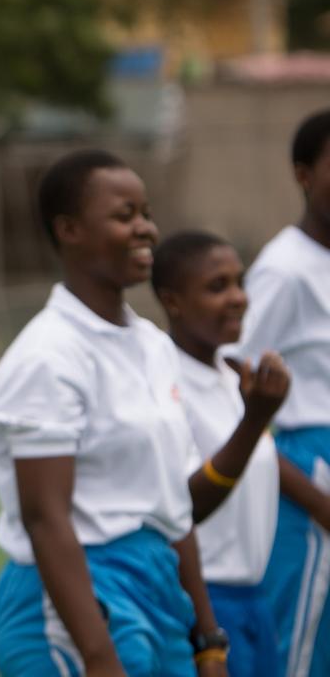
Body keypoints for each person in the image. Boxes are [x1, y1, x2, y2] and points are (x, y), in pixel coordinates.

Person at [0, 149, 284, 677]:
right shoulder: (48, 356)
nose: (145, 229)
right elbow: (47, 520)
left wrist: (207, 638)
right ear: (69, 229)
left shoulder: (153, 345)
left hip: (156, 586)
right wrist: (98, 657)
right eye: (125, 216)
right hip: (74, 604)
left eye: (146, 213)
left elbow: (172, 508)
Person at [152, 231, 316, 677]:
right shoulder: (164, 381)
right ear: (173, 301)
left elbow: (257, 461)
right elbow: (185, 506)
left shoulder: (230, 373)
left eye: (239, 283)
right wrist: (254, 419)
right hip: (204, 600)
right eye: (216, 286)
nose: (238, 298)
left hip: (255, 597)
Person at [231, 110, 330, 677]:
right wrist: (315, 498)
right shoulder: (285, 270)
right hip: (311, 473)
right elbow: (231, 384)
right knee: (299, 645)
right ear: (304, 174)